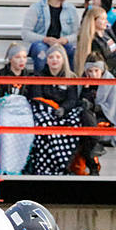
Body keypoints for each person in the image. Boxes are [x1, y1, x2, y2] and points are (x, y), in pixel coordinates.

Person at [27, 43, 80, 176]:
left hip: (63, 112)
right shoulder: (39, 76)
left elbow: (72, 100)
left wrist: (63, 109)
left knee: (74, 123)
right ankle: (53, 165)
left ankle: (64, 165)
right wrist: (52, 109)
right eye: (51, 57)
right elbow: (37, 97)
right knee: (45, 124)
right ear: (47, 60)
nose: (54, 60)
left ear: (63, 59)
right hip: (45, 112)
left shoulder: (71, 77)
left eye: (58, 57)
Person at [22, 0, 79, 73]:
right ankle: (40, 85)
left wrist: (66, 40)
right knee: (41, 52)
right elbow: (26, 33)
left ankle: (71, 84)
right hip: (42, 43)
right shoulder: (36, 8)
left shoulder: (71, 9)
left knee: (73, 52)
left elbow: (77, 33)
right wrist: (44, 39)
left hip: (62, 43)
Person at [0, 43, 35, 176]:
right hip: (5, 109)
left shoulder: (29, 76)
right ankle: (6, 166)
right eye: (18, 57)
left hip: (23, 110)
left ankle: (23, 165)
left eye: (24, 57)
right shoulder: (0, 74)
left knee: (29, 124)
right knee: (5, 126)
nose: (22, 60)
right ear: (11, 59)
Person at [76, 7, 116, 77]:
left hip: (115, 73)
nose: (106, 21)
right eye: (103, 19)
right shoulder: (92, 41)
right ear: (93, 20)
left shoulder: (107, 34)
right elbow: (98, 65)